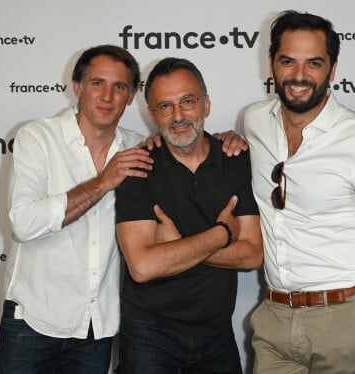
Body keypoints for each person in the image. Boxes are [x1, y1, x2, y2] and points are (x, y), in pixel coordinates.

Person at [0, 45, 246, 374]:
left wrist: (228, 138)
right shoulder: (38, 138)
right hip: (35, 318)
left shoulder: (141, 148)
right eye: (97, 83)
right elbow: (24, 224)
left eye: (120, 87)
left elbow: (191, 139)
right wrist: (103, 182)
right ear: (77, 88)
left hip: (99, 326)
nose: (107, 96)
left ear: (131, 99)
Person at [244, 11, 355, 373]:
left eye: (314, 63)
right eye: (288, 61)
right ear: (272, 64)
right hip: (274, 319)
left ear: (333, 68)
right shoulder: (254, 122)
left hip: (346, 320)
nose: (298, 76)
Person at [114, 57, 263, 374]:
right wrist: (220, 234)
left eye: (188, 102)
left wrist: (178, 246)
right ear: (152, 114)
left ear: (206, 104)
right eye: (165, 106)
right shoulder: (138, 168)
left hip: (217, 334)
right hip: (148, 334)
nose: (178, 116)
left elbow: (252, 254)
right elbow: (142, 267)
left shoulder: (236, 160)